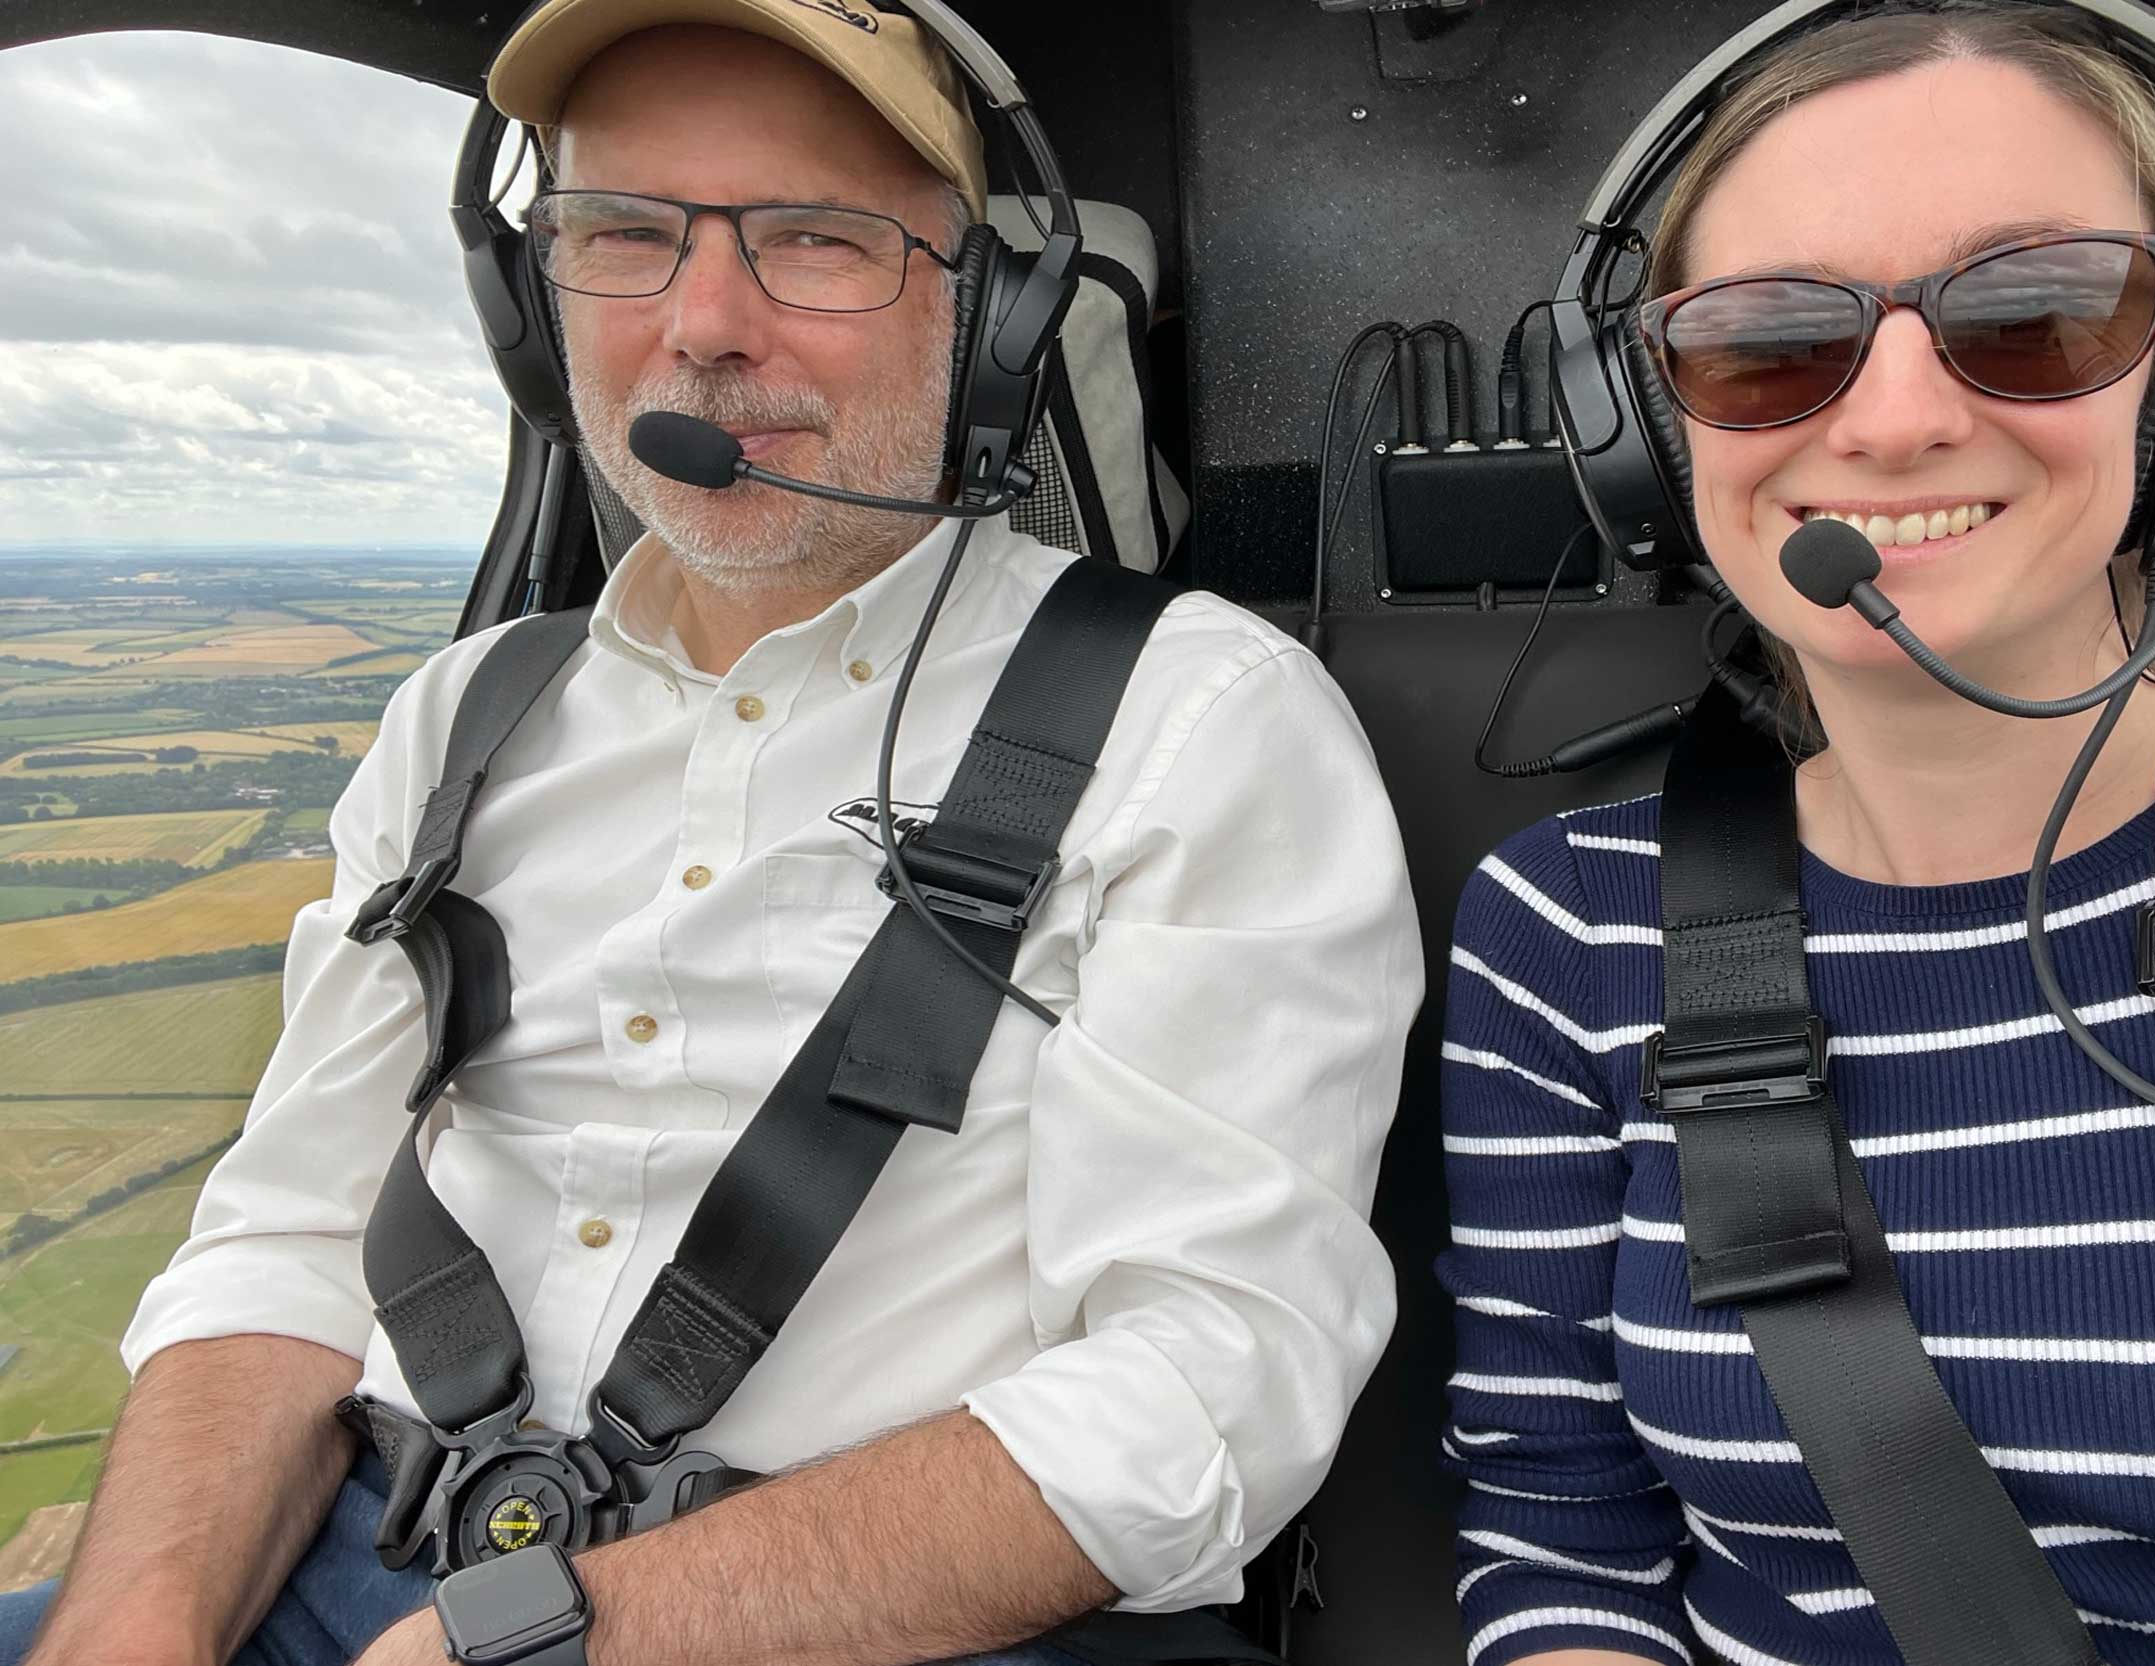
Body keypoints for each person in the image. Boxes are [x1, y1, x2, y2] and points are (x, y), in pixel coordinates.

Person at [1, 7, 1422, 1666]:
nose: (703, 326)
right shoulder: (465, 715)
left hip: (905, 1618)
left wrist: (559, 1635)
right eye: (626, 237)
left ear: (987, 319)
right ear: (532, 306)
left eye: (815, 239)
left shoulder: (1202, 722)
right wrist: (136, 1626)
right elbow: (292, 1238)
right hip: (357, 1563)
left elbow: (1209, 1378)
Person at [1437, 6, 2155, 1665]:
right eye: (1770, 342)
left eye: (2042, 310)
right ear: (1642, 422)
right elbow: (1563, 1531)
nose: (1896, 418)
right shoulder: (1569, 932)